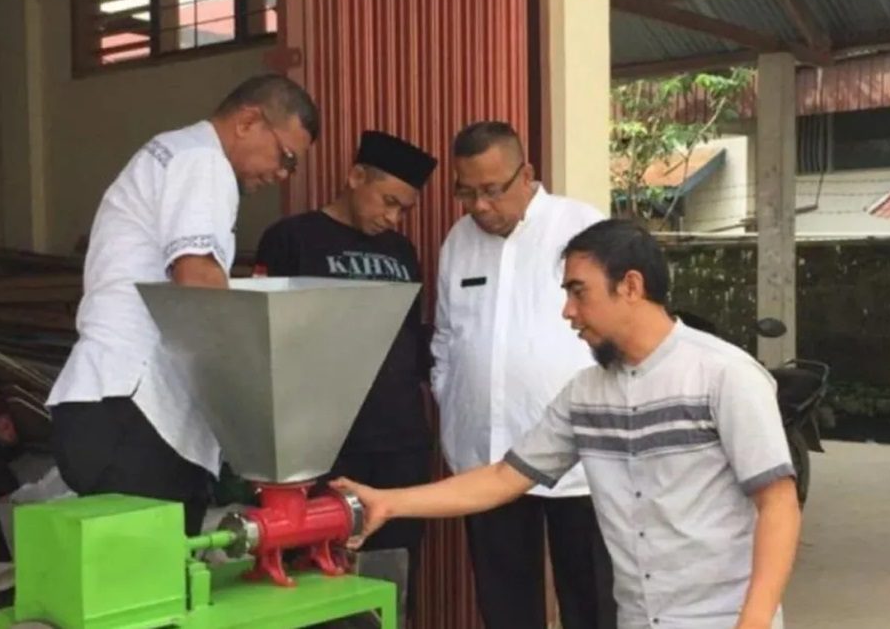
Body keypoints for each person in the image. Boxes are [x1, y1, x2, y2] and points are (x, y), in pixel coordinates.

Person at [340, 219, 802, 629]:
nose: (567, 311)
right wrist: (389, 502)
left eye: (578, 291)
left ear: (631, 286)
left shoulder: (724, 375)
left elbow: (778, 503)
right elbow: (502, 479)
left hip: (724, 618)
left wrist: (755, 620)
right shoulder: (586, 394)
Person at [47, 74, 319, 536]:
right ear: (248, 122)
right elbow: (198, 279)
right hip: (136, 410)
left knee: (135, 572)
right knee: (155, 571)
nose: (281, 175)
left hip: (108, 402)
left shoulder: (173, 152)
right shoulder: (203, 162)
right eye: (285, 157)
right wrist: (255, 399)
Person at [429, 121, 617, 629]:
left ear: (527, 174)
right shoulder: (458, 241)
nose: (479, 206)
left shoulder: (581, 228)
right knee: (505, 602)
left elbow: (615, 327)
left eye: (492, 190)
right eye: (466, 192)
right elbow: (446, 336)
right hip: (487, 454)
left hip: (578, 456)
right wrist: (452, 398)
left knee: (592, 599)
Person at [253, 129, 437, 619]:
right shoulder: (292, 239)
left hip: (398, 441)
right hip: (325, 446)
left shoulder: (402, 252)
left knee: (392, 574)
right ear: (356, 177)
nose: (393, 217)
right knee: (318, 574)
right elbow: (266, 340)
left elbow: (410, 338)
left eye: (404, 209)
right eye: (388, 201)